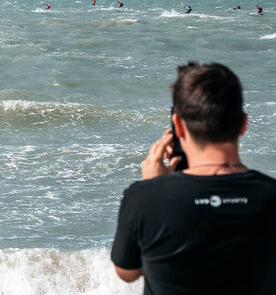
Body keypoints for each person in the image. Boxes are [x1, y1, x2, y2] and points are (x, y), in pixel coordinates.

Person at [111, 62, 276, 293]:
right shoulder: (270, 195)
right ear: (243, 124)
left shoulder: (144, 199)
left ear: (178, 125)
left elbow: (127, 272)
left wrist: (155, 188)